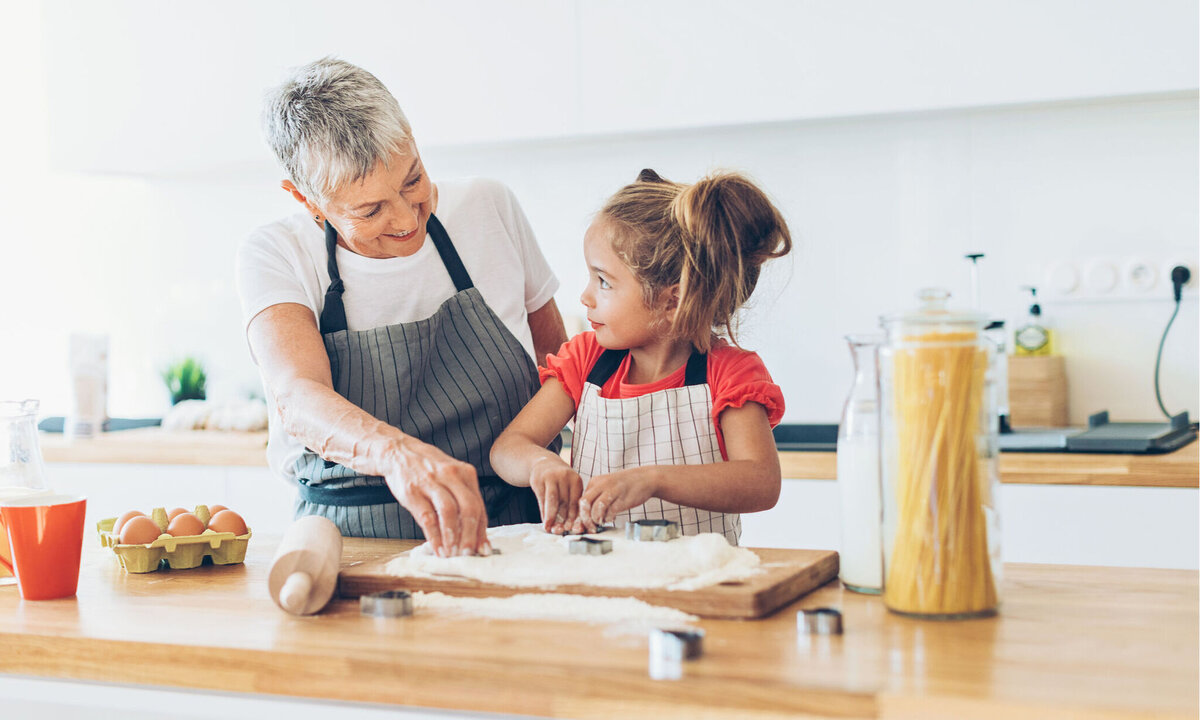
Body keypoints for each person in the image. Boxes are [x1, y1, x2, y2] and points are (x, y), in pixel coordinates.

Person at [236, 57, 565, 555]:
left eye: (413, 181)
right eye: (369, 210)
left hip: (518, 534)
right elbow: (297, 396)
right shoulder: (276, 253)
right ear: (307, 201)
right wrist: (397, 455)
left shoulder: (489, 208)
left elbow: (560, 363)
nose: (407, 219)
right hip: (354, 541)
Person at [490, 169, 790, 545]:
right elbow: (508, 447)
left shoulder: (728, 373)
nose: (586, 296)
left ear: (672, 300)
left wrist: (652, 480)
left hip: (699, 580)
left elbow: (761, 482)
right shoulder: (586, 360)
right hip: (600, 578)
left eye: (604, 281)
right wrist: (540, 464)